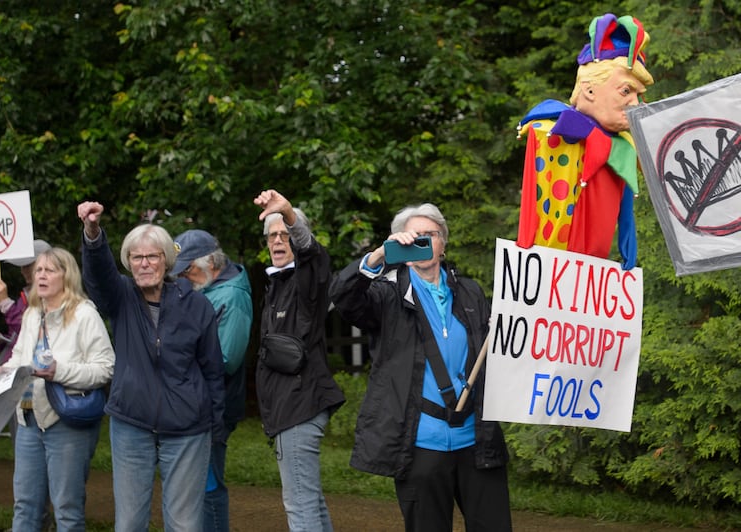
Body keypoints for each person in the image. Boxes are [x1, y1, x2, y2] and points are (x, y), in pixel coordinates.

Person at [329, 203, 512, 532]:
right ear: (400, 245)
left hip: (477, 443)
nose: (424, 242)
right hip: (420, 447)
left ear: (443, 244)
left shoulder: (470, 292)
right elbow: (343, 297)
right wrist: (378, 257)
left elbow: (498, 349)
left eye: (431, 235)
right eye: (414, 237)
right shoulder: (385, 295)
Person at [77, 201, 225, 532]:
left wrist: (215, 426)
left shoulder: (197, 305)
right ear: (128, 264)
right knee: (129, 523)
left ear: (166, 261)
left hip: (188, 429)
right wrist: (92, 233)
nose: (145, 264)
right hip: (132, 425)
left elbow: (213, 370)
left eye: (152, 256)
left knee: (184, 524)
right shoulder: (121, 297)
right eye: (137, 258)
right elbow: (98, 276)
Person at [516, 13, 654, 270]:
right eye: (626, 91)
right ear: (589, 90)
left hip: (590, 288)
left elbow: (623, 220)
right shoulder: (550, 130)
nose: (635, 104)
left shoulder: (624, 150)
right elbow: (535, 213)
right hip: (547, 275)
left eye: (638, 95)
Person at [0, 247, 115, 531]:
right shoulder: (32, 314)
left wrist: (59, 372)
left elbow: (106, 368)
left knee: (67, 510)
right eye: (38, 270)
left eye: (50, 270)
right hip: (27, 419)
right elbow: (19, 356)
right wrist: (4, 371)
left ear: (67, 275)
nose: (42, 275)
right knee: (24, 506)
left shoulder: (85, 314)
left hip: (66, 421)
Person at [253, 189, 345, 531]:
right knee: (309, 500)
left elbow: (314, 257)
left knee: (300, 505)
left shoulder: (305, 282)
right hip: (289, 408)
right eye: (272, 235)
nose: (278, 241)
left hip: (299, 408)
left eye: (285, 235)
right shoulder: (276, 284)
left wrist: (289, 215)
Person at [170, 229, 253, 532]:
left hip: (215, 407)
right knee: (194, 483)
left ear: (209, 263)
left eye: (188, 269)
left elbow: (227, 359)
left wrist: (176, 357)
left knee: (208, 484)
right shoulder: (206, 287)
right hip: (193, 404)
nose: (184, 277)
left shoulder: (232, 295)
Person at [0, 239, 52, 364]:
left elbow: (36, 334)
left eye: (27, 265)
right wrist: (2, 340)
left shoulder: (51, 297)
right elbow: (19, 338)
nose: (22, 271)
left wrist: (6, 304)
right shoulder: (25, 297)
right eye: (21, 266)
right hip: (14, 369)